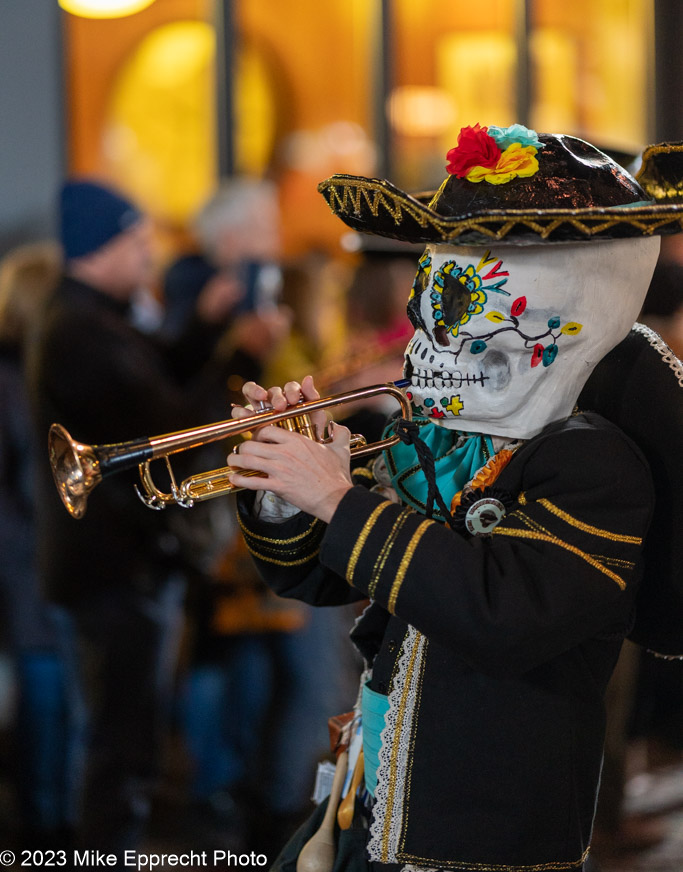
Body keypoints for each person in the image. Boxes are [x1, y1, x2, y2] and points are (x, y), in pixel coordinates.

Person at [226, 126, 683, 872]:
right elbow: (318, 577)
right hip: (370, 784)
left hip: (484, 829)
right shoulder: (442, 440)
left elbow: (497, 616)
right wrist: (287, 488)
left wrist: (339, 499)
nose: (433, 325)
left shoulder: (595, 462)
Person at [26, 179, 245, 862]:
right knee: (124, 752)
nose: (147, 257)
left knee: (121, 745)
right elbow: (169, 428)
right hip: (117, 570)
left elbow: (155, 388)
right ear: (102, 245)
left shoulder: (91, 319)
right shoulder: (79, 330)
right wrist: (236, 360)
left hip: (112, 567)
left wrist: (209, 329)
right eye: (137, 242)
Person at [0, 241, 76, 847]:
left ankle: (51, 820)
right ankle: (44, 830)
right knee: (46, 694)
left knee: (52, 692)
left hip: (34, 554)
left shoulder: (30, 371)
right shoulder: (14, 379)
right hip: (31, 557)